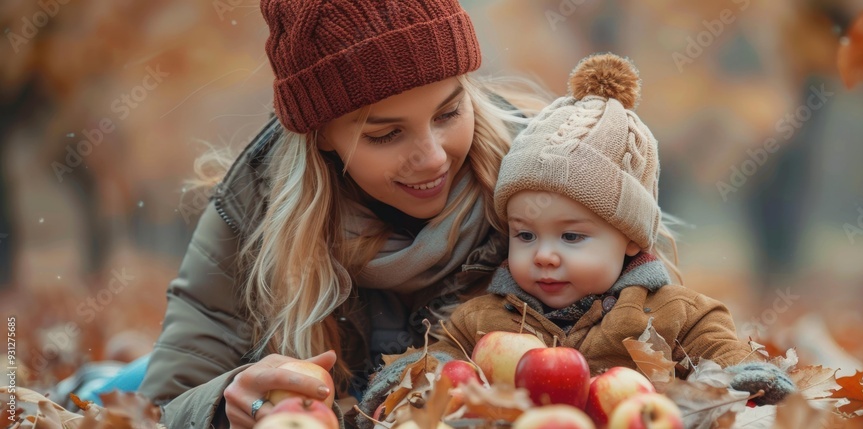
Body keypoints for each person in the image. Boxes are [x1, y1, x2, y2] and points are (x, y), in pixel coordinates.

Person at [135, 1, 546, 428]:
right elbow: (155, 411)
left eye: (449, 113)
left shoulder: (548, 184)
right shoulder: (251, 212)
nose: (433, 158)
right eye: (386, 134)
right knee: (114, 381)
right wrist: (224, 404)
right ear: (323, 135)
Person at [360, 53, 795, 426]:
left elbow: (721, 352)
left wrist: (744, 379)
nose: (545, 255)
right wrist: (407, 379)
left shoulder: (671, 313)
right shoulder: (484, 319)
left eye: (571, 236)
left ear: (628, 238)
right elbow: (438, 360)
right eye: (525, 235)